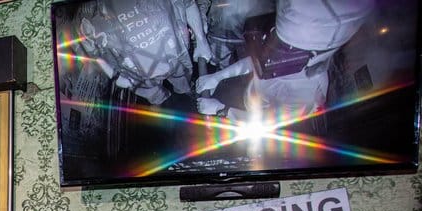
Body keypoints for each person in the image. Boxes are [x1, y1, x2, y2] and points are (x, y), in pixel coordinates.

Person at [195, 0, 373, 122]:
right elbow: (260, 62)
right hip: (254, 92)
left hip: (251, 110)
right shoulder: (284, 59)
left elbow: (265, 125)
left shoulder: (305, 98)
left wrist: (222, 110)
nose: (270, 48)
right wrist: (218, 77)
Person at [75, 0, 214, 105]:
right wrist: (114, 76)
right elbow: (92, 51)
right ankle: (162, 108)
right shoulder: (88, 11)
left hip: (176, 54)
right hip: (136, 74)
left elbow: (187, 3)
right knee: (156, 97)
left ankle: (185, 92)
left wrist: (201, 41)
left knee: (183, 82)